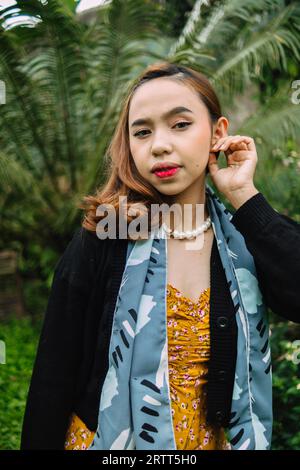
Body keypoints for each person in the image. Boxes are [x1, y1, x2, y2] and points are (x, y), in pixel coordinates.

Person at [21, 62, 300, 451]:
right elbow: (55, 371)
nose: (159, 145)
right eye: (142, 132)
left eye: (180, 124)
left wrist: (245, 199)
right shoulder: (108, 234)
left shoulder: (247, 234)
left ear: (218, 133)